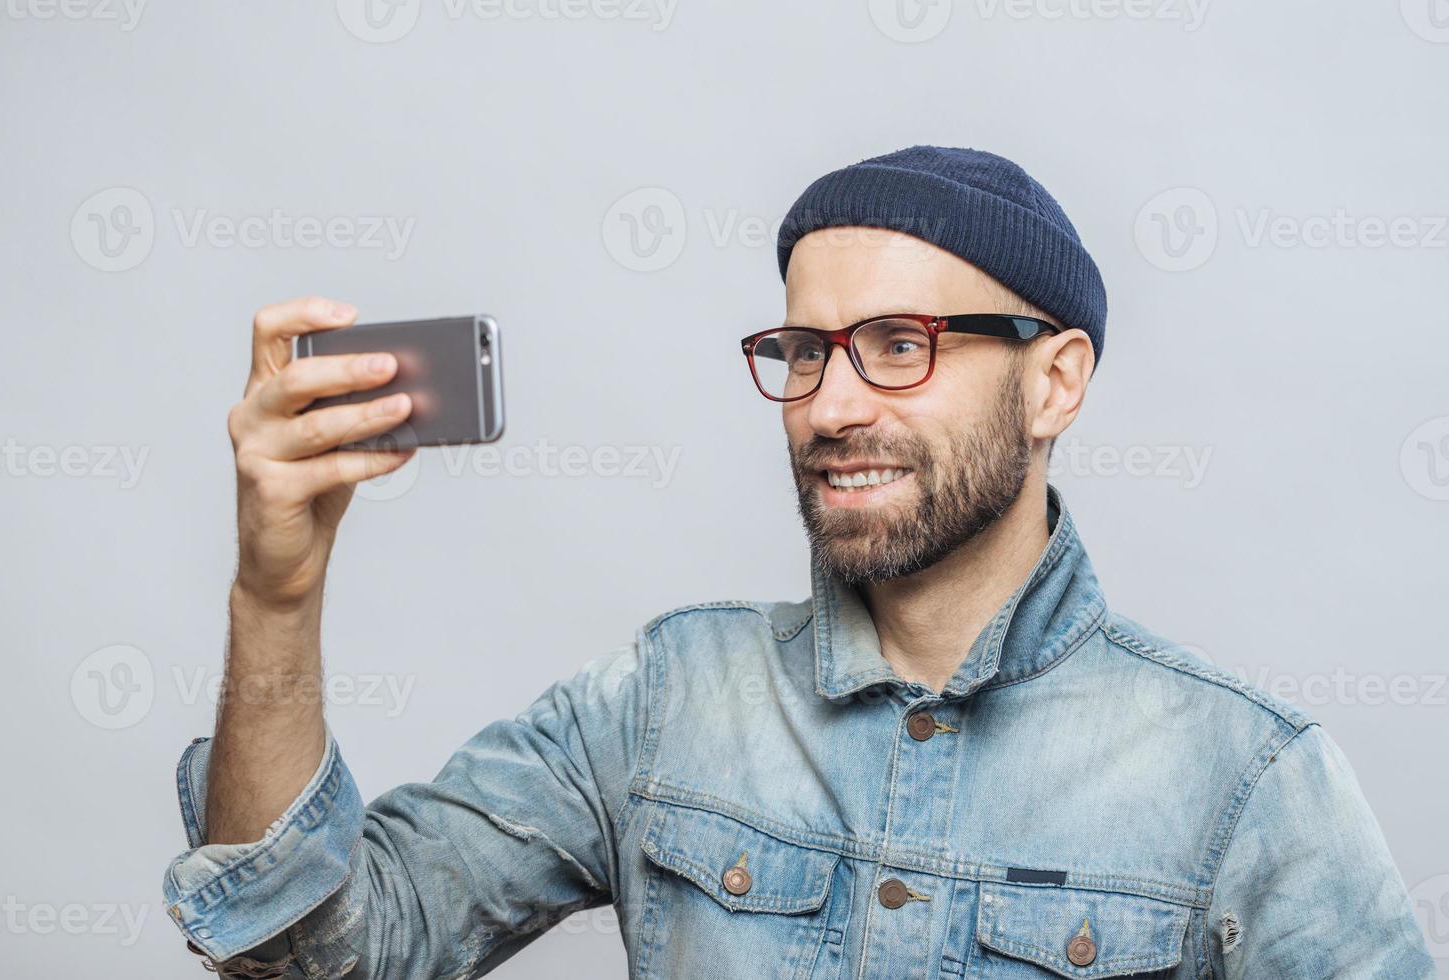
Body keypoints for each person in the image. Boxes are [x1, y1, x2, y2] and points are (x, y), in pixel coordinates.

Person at [162, 146, 1435, 979]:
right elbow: (313, 952)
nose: (829, 405)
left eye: (897, 343)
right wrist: (275, 595)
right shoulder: (664, 697)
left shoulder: (1245, 776)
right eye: (805, 350)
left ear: (1056, 382)